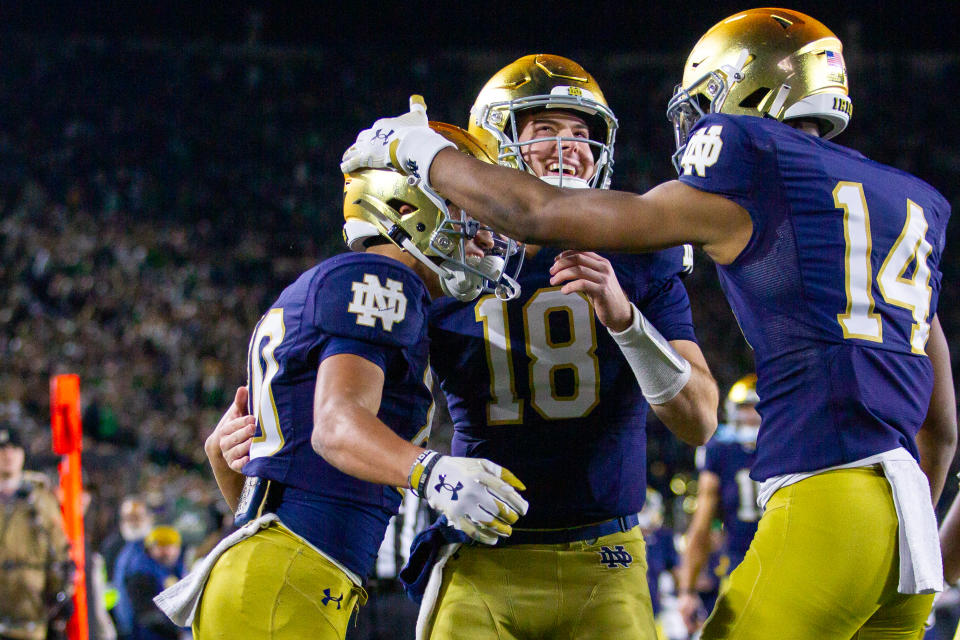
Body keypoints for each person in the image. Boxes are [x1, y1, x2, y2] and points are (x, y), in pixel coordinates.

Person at [342, 9, 957, 638]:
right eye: (544, 128)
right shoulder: (912, 200)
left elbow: (540, 215)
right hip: (907, 517)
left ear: (744, 89)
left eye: (579, 131)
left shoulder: (744, 162)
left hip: (763, 510)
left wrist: (417, 148)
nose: (567, 146)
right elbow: (942, 428)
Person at [154, 123, 529, 640]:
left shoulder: (340, 281)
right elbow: (334, 426)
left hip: (284, 572)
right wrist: (434, 473)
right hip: (287, 581)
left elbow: (264, 502)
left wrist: (226, 461)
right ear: (407, 204)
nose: (489, 233)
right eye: (471, 211)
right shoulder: (383, 279)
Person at [677, 374, 761, 635]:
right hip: (743, 560)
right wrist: (688, 588)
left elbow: (702, 524)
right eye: (745, 408)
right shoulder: (723, 450)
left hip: (774, 559)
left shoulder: (721, 450)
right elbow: (702, 525)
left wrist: (687, 590)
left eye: (756, 407)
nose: (751, 416)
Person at [0, 423, 75, 640]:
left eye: (14, 448)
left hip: (31, 616)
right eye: (2, 449)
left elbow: (59, 552)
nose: (8, 455)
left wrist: (61, 594)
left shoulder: (41, 500)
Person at [116, 526, 183, 640]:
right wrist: (178, 633)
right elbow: (147, 614)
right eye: (161, 547)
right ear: (150, 549)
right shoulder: (141, 573)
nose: (168, 552)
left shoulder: (174, 569)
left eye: (171, 546)